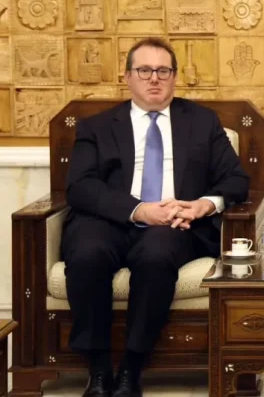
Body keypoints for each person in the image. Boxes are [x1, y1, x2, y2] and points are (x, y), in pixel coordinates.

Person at [62, 37, 250, 397]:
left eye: (163, 71)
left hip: (174, 223)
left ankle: (132, 367)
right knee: (87, 255)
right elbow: (80, 187)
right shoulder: (97, 126)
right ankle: (98, 368)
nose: (154, 78)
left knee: (156, 256)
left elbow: (237, 180)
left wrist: (203, 205)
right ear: (127, 77)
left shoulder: (201, 122)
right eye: (144, 70)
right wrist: (138, 209)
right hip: (109, 220)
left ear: (175, 77)